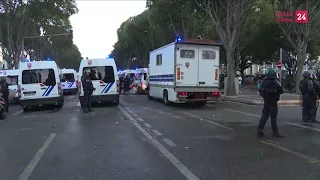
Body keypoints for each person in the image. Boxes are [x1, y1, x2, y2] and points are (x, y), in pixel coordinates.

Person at [257, 68, 284, 138]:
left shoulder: (264, 81)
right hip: (273, 102)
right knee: (273, 117)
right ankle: (275, 132)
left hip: (266, 101)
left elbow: (260, 90)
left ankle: (260, 128)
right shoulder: (275, 81)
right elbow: (281, 90)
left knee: (264, 115)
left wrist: (265, 96)